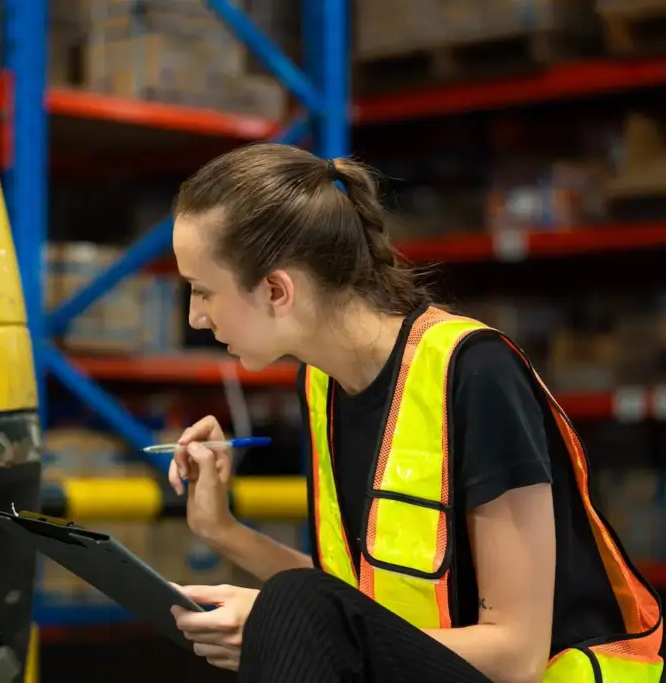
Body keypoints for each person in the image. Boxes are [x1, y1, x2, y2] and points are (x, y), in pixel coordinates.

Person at [164, 142, 663, 683]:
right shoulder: (321, 385)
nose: (195, 319)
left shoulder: (476, 372)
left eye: (202, 291)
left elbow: (517, 654)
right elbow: (364, 605)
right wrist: (221, 530)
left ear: (276, 289)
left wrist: (289, 626)